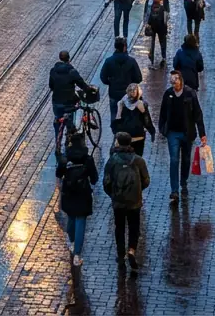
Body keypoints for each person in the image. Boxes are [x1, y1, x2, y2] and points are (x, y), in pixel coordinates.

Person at [103, 131, 152, 269]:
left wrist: (113, 194)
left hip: (118, 201)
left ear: (118, 142)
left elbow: (106, 182)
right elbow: (146, 181)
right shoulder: (138, 160)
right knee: (134, 227)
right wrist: (137, 191)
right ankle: (131, 250)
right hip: (134, 201)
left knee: (119, 228)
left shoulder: (112, 160)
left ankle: (120, 255)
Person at [158, 70, 207, 204]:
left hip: (187, 133)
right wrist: (163, 129)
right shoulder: (168, 94)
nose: (173, 84)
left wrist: (202, 133)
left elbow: (197, 114)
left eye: (175, 81)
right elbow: (162, 113)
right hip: (172, 133)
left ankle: (183, 181)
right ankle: (174, 190)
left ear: (181, 81)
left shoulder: (190, 94)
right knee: (174, 159)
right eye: (172, 81)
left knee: (185, 159)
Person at [55, 133, 98, 268]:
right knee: (81, 221)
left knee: (71, 218)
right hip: (83, 194)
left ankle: (72, 241)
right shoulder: (87, 159)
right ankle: (77, 254)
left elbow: (58, 175)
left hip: (68, 193)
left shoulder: (65, 159)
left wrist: (60, 187)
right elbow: (95, 179)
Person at [98, 37, 141, 128]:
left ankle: (116, 133)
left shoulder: (109, 61)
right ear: (124, 47)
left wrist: (110, 82)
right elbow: (138, 78)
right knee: (129, 114)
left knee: (114, 114)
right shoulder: (131, 61)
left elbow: (103, 77)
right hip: (128, 94)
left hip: (114, 93)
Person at [113, 84, 156, 157]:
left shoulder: (138, 103)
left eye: (134, 90)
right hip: (131, 137)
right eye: (131, 90)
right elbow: (147, 121)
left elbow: (147, 120)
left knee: (131, 160)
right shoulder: (124, 103)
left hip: (131, 138)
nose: (132, 92)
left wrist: (119, 109)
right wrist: (152, 132)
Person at [146, 0, 171, 66]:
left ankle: (152, 59)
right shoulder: (163, 6)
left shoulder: (150, 5)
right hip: (161, 27)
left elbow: (147, 16)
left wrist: (147, 24)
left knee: (152, 43)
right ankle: (163, 57)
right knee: (163, 42)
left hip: (152, 27)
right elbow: (166, 18)